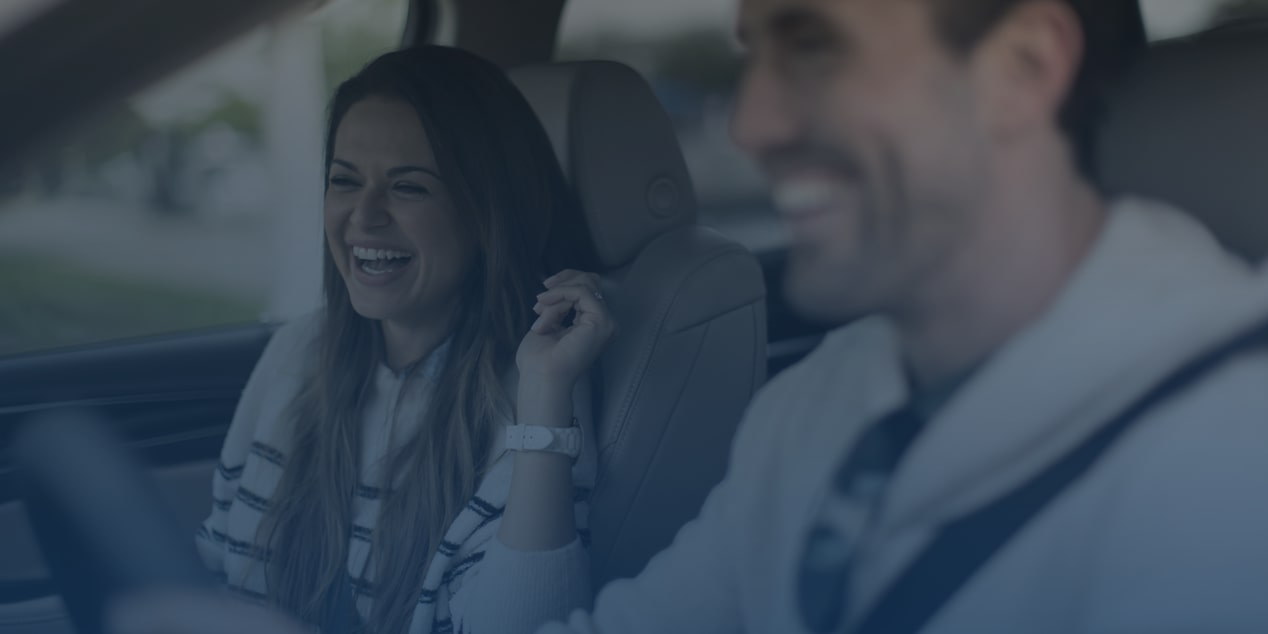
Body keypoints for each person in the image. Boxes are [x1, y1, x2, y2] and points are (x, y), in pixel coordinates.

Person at [111, 0, 1268, 633]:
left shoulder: (1226, 456)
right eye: (749, 55)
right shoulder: (826, 399)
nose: (754, 124)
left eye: (812, 50)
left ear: (1020, 70)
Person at [185, 45, 614, 634]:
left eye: (408, 188)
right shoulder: (298, 353)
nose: (363, 216)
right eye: (344, 181)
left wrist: (544, 399)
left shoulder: (535, 386)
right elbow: (216, 571)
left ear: (486, 210)